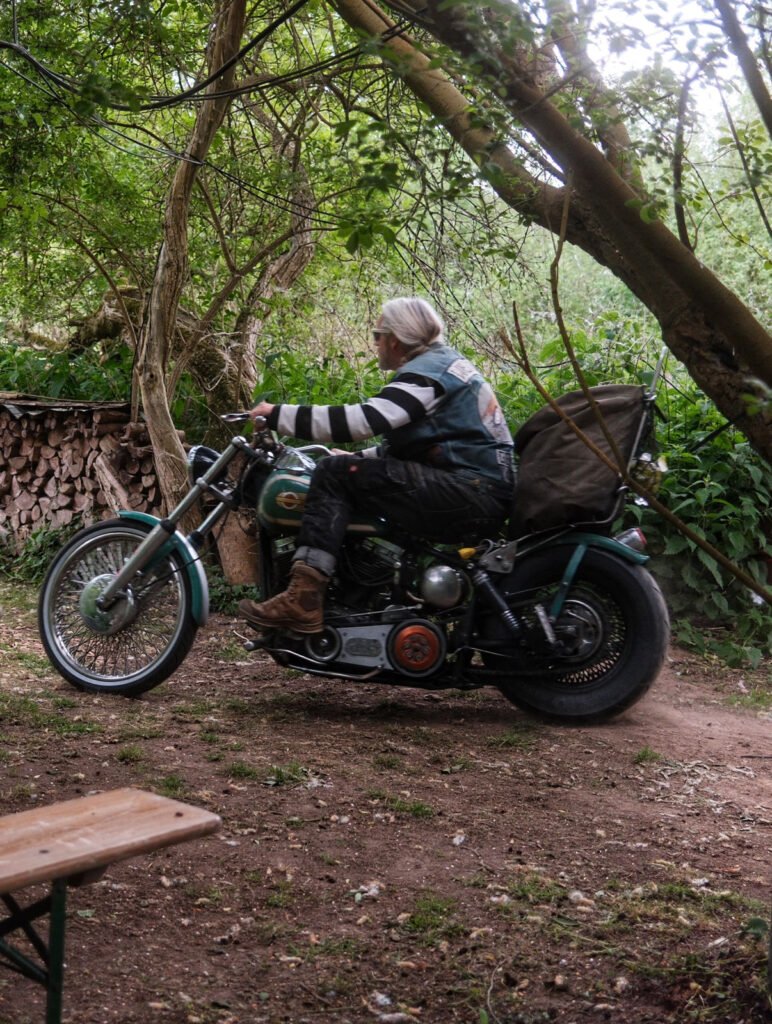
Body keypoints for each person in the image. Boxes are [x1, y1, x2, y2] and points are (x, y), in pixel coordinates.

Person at [239, 297, 514, 634]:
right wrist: (357, 461)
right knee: (343, 470)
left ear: (394, 339)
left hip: (470, 490)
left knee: (332, 474)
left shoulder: (427, 374)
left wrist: (278, 414)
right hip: (473, 487)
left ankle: (303, 601)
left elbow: (363, 421)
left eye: (377, 335)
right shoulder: (440, 366)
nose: (375, 343)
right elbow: (412, 449)